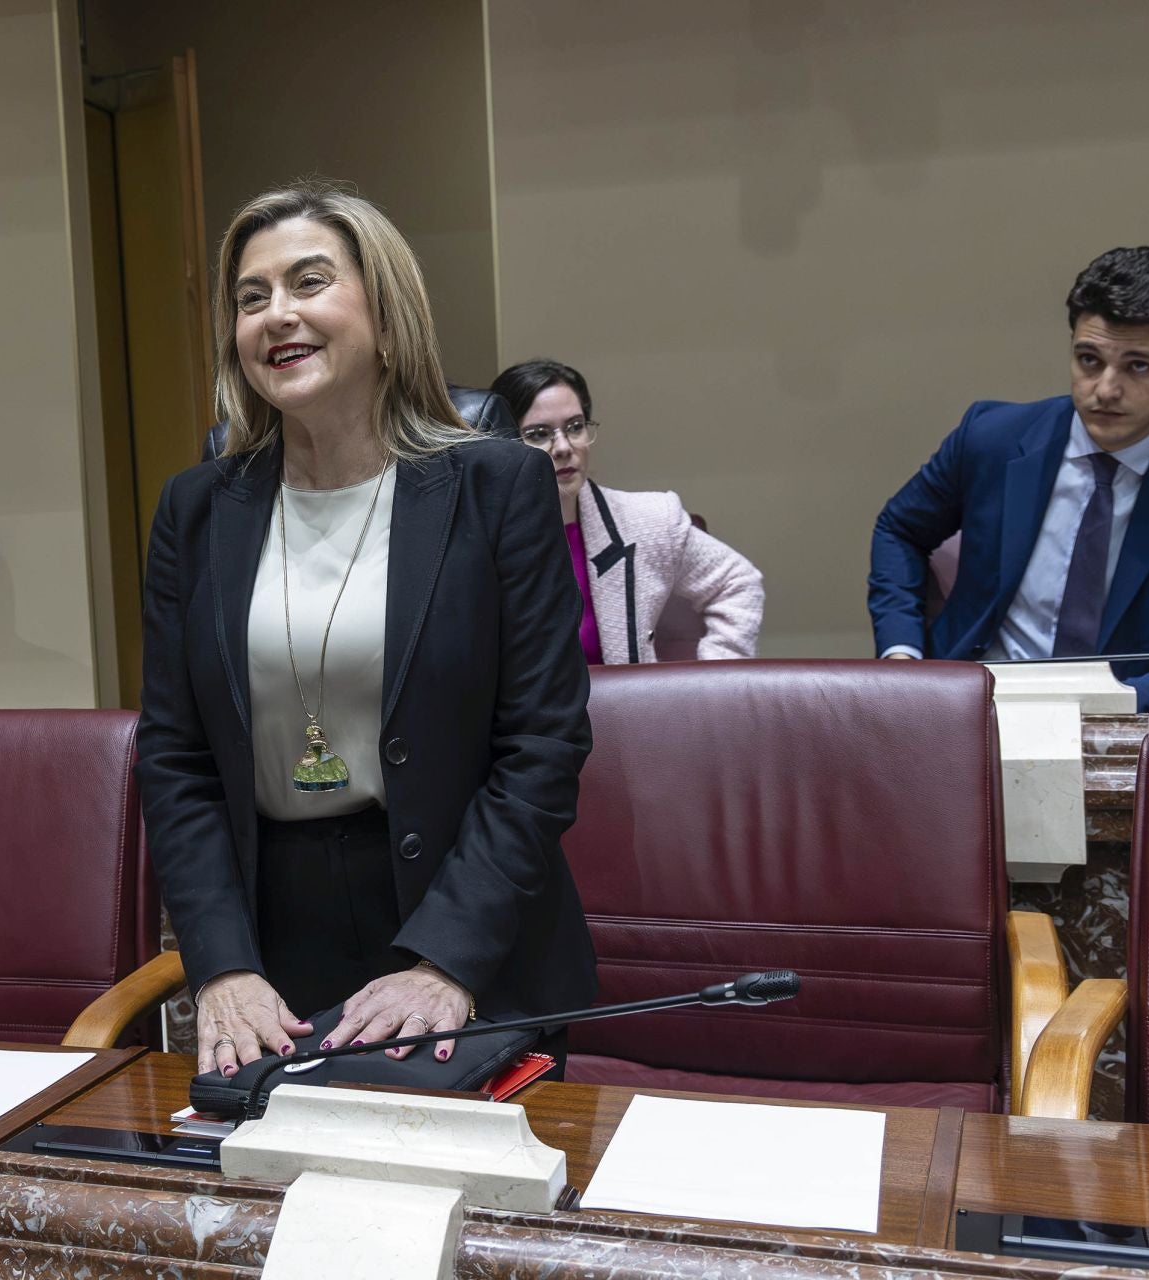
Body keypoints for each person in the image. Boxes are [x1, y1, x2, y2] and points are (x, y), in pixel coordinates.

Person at [136, 183, 597, 1081]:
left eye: (310, 282)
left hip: (468, 934)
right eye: (251, 296)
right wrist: (221, 964)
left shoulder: (496, 487)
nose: (278, 314)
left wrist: (446, 963)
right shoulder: (196, 510)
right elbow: (175, 757)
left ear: (387, 319)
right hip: (271, 950)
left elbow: (542, 746)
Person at [869, 246, 1149, 709]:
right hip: (970, 711)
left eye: (1138, 366)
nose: (1105, 389)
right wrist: (901, 656)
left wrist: (1093, 704)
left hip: (1126, 724)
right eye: (1089, 359)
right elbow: (900, 530)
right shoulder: (991, 438)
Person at [490, 359, 763, 663]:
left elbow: (738, 582)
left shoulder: (648, 519)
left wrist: (713, 680)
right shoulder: (481, 537)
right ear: (503, 445)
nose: (564, 447)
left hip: (625, 709)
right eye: (539, 433)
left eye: (575, 427)